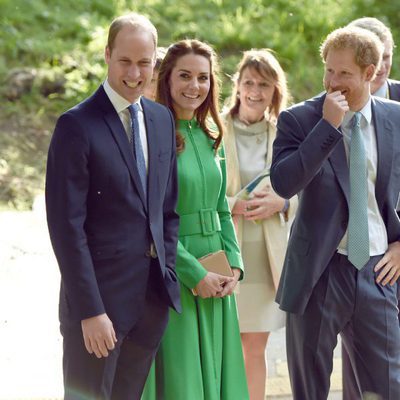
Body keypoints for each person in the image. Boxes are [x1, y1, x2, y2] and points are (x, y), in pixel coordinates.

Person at [45, 13, 181, 400]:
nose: (135, 73)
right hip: (97, 311)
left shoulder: (160, 119)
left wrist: (165, 273)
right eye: (125, 61)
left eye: (145, 62)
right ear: (107, 55)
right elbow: (66, 228)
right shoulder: (76, 126)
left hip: (150, 304)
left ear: (155, 61)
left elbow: (167, 210)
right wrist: (90, 310)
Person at [270, 26, 400, 400]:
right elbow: (283, 184)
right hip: (318, 275)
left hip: (378, 273)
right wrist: (327, 128)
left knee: (386, 389)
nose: (332, 81)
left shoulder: (396, 119)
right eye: (329, 70)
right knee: (309, 390)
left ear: (370, 72)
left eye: (344, 73)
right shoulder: (300, 119)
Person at [141, 39, 249, 400]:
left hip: (217, 268)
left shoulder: (209, 136)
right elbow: (152, 219)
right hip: (179, 270)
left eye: (203, 78)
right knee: (185, 377)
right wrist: (193, 274)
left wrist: (234, 263)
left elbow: (222, 208)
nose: (194, 86)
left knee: (219, 376)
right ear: (167, 80)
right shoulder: (154, 138)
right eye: (185, 76)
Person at [222, 49, 296, 400]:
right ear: (237, 86)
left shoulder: (284, 133)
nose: (254, 90)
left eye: (263, 84)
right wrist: (231, 205)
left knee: (254, 347)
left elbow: (305, 189)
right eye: (248, 82)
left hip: (267, 259)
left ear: (274, 90)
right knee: (225, 346)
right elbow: (192, 191)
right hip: (225, 251)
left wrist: (283, 202)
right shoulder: (213, 128)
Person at [340, 17, 400, 400]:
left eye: (388, 57)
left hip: (394, 251)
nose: (382, 68)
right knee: (358, 365)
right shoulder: (333, 106)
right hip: (359, 263)